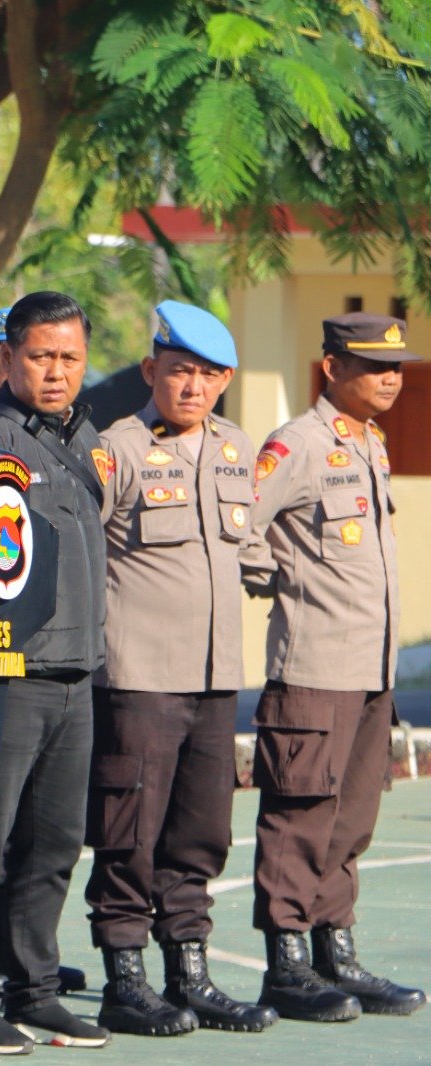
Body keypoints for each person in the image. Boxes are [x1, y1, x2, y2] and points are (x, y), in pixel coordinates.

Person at [82, 301, 277, 1037]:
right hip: (138, 677)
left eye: (206, 374)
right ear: (150, 371)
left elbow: (250, 551)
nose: (191, 386)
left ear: (224, 381)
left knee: (200, 831)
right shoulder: (117, 448)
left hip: (215, 676)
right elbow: (79, 550)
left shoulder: (235, 448)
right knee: (129, 829)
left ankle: (188, 974)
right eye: (178, 371)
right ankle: (124, 979)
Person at [0, 291, 110, 1054]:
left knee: (54, 844)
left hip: (76, 672)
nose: (55, 371)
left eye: (69, 358)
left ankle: (33, 988)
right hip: (4, 673)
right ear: (6, 357)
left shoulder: (85, 437)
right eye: (40, 356)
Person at [242, 312, 426, 1022]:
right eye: (374, 365)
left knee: (352, 817)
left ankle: (334, 952)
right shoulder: (296, 444)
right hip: (315, 664)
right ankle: (286, 964)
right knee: (300, 814)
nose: (390, 378)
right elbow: (240, 530)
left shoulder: (370, 444)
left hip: (370, 668)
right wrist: (283, 579)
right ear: (331, 368)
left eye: (398, 367)